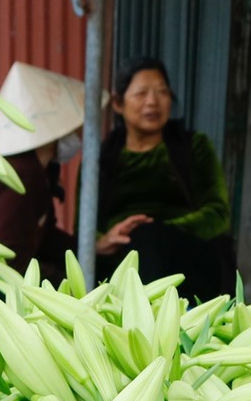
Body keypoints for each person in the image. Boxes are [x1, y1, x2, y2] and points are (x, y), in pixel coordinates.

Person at [95, 58, 233, 301]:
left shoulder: (194, 147)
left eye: (161, 92)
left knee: (148, 240)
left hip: (188, 259)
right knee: (139, 247)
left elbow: (218, 214)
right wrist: (104, 240)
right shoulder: (101, 159)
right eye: (141, 93)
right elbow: (83, 229)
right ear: (118, 103)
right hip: (121, 259)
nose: (152, 101)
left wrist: (156, 231)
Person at [0, 63, 83, 273]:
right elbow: (8, 257)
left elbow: (41, 235)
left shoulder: (39, 169)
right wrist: (64, 287)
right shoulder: (21, 173)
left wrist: (90, 250)